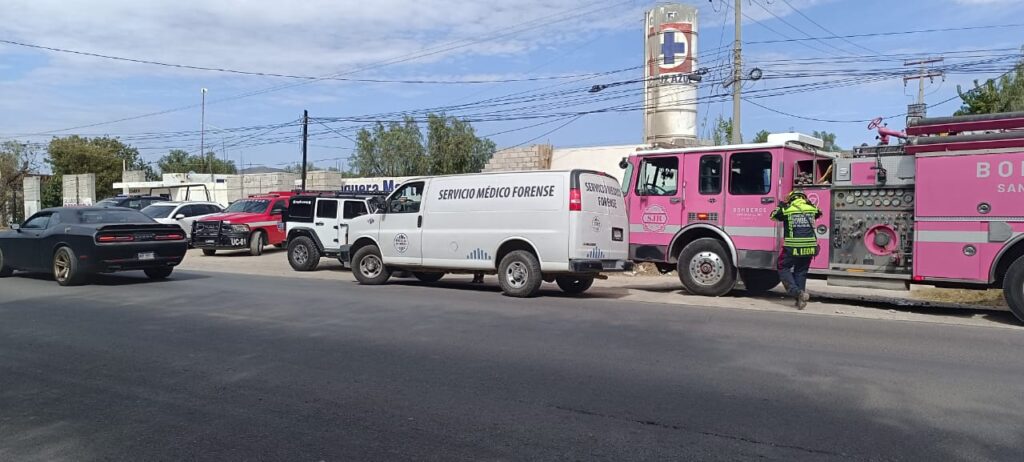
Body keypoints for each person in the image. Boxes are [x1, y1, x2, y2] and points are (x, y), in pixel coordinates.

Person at [770, 190, 822, 310]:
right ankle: (800, 300)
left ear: (791, 198)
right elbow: (819, 213)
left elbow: (773, 216)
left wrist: (782, 204)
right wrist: (809, 203)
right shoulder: (811, 208)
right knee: (801, 271)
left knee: (782, 267)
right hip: (809, 247)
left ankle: (796, 292)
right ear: (804, 198)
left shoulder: (787, 209)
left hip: (792, 247)